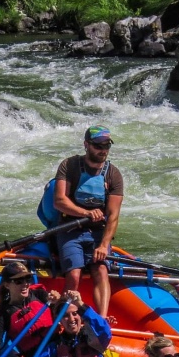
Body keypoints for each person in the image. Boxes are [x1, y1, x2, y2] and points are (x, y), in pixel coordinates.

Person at [52, 125, 124, 319]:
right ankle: (67, 316)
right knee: (74, 274)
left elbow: (113, 215)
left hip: (98, 233)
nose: (103, 150)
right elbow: (59, 201)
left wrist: (104, 245)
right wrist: (85, 212)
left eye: (107, 145)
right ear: (86, 145)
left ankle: (102, 320)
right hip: (70, 229)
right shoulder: (69, 165)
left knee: (100, 269)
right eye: (98, 145)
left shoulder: (113, 174)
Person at [0, 260, 59, 357]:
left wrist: (57, 303)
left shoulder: (40, 295)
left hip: (59, 347)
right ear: (7, 285)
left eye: (27, 279)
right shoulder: (4, 315)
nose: (25, 284)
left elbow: (61, 314)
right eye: (19, 281)